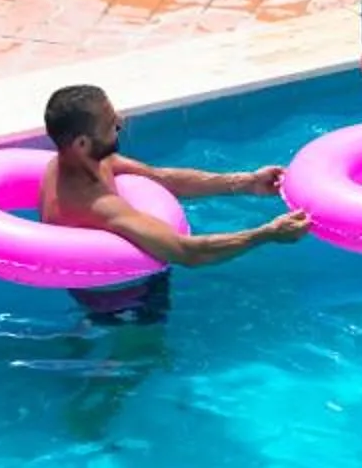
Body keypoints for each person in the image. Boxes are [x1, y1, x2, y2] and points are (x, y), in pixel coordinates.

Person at [39, 84, 312, 326]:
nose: (120, 122)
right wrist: (269, 233)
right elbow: (188, 253)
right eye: (110, 123)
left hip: (111, 286)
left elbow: (163, 179)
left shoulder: (79, 162)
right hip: (123, 300)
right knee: (146, 360)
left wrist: (247, 182)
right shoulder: (97, 205)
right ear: (83, 143)